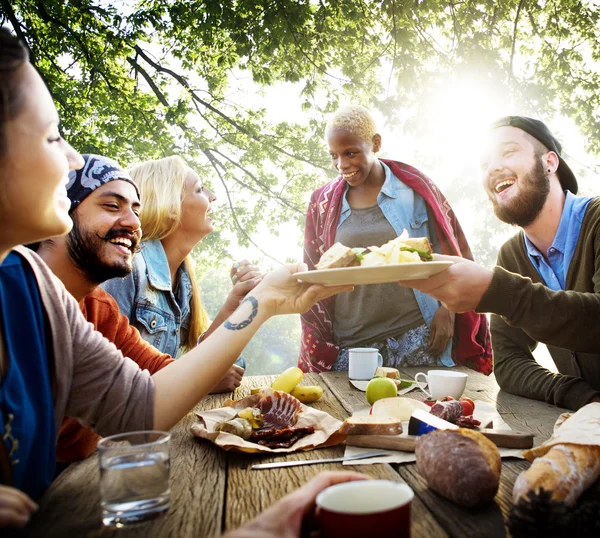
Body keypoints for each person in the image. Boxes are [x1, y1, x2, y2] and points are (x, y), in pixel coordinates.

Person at [0, 28, 351, 528]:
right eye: (53, 135)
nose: (73, 158)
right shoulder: (97, 283)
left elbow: (143, 404)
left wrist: (262, 304)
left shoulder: (39, 294)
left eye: (135, 208)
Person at [35, 154, 251, 463]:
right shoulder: (17, 292)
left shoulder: (97, 308)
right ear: (58, 213)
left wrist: (254, 305)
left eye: (136, 210)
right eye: (112, 206)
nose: (134, 222)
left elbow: (152, 393)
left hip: (83, 469)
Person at [401, 116, 600, 410]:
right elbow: (508, 363)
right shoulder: (512, 256)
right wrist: (578, 395)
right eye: (484, 163)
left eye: (508, 152)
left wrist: (496, 291)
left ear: (550, 162)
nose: (492, 168)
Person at [299, 105, 492, 374]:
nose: (342, 165)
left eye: (350, 153)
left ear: (375, 143)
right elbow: (314, 270)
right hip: (353, 345)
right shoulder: (322, 203)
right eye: (334, 155)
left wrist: (447, 310)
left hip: (418, 335)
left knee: (422, 413)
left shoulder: (415, 189)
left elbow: (451, 252)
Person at [102, 156, 257, 366]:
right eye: (200, 189)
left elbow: (203, 359)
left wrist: (237, 303)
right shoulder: (128, 270)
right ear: (171, 206)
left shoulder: (183, 280)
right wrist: (202, 380)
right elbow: (106, 371)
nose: (213, 196)